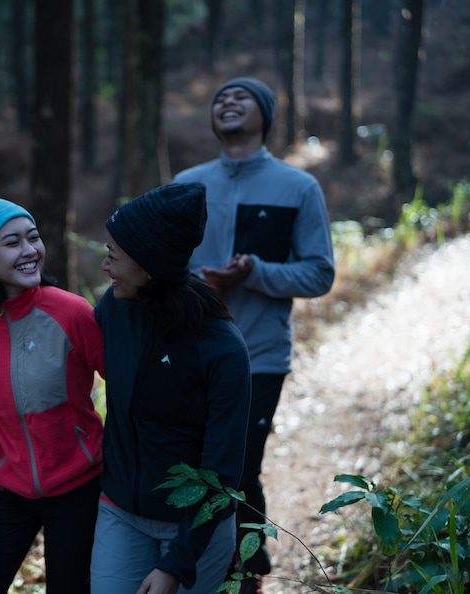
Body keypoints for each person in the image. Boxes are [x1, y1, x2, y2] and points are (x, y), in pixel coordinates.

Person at [173, 77, 335, 592]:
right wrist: (198, 279)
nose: (228, 101)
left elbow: (319, 273)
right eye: (220, 97)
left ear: (265, 115)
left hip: (258, 354)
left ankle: (247, 571)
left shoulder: (297, 187)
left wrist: (255, 272)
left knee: (238, 469)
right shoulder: (187, 184)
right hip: (189, 351)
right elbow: (159, 267)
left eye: (242, 97)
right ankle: (191, 564)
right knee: (191, 467)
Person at [89, 182, 252, 594]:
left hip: (197, 530)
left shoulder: (221, 348)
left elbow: (222, 470)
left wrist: (177, 562)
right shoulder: (115, 309)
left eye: (114, 255)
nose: (105, 266)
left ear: (148, 267)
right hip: (120, 511)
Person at [0, 197, 105, 594]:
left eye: (33, 238)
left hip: (77, 486)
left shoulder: (73, 312)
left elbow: (125, 390)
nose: (30, 250)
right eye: (12, 242)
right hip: (3, 489)